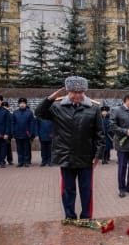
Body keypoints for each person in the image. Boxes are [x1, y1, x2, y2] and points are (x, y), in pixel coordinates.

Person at [35, 76, 105, 220]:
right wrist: (51, 98)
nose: (77, 95)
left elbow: (100, 135)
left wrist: (97, 157)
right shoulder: (57, 107)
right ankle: (69, 216)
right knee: (68, 190)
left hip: (86, 157)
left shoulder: (93, 108)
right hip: (65, 156)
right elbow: (39, 113)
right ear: (67, 91)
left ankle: (86, 216)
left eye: (80, 92)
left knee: (86, 189)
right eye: (74, 92)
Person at [12, 98, 34, 167]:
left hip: (26, 134)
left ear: (25, 104)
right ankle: (20, 162)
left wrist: (31, 133)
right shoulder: (15, 112)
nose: (22, 104)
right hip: (18, 133)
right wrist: (13, 132)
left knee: (26, 148)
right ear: (19, 104)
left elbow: (32, 123)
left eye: (23, 103)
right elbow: (12, 123)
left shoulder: (29, 112)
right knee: (19, 149)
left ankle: (26, 162)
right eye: (21, 103)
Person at [1, 101, 14, 165]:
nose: (4, 107)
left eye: (6, 106)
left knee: (8, 147)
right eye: (3, 106)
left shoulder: (10, 115)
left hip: (8, 134)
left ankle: (10, 160)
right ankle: (2, 160)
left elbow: (12, 125)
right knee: (2, 148)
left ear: (8, 107)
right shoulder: (1, 114)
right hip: (1, 134)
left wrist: (11, 133)